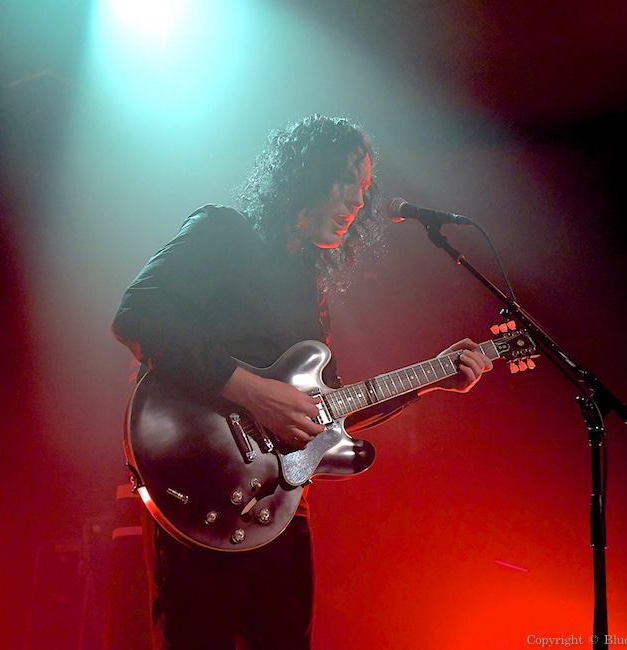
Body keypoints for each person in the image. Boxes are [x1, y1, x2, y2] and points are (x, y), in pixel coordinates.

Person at [111, 114, 493, 650]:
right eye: (346, 184)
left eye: (364, 191)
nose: (358, 204)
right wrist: (249, 389)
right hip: (196, 482)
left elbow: (324, 415)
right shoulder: (223, 230)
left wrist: (431, 380)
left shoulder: (308, 287)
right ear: (304, 176)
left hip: (280, 504)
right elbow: (136, 315)